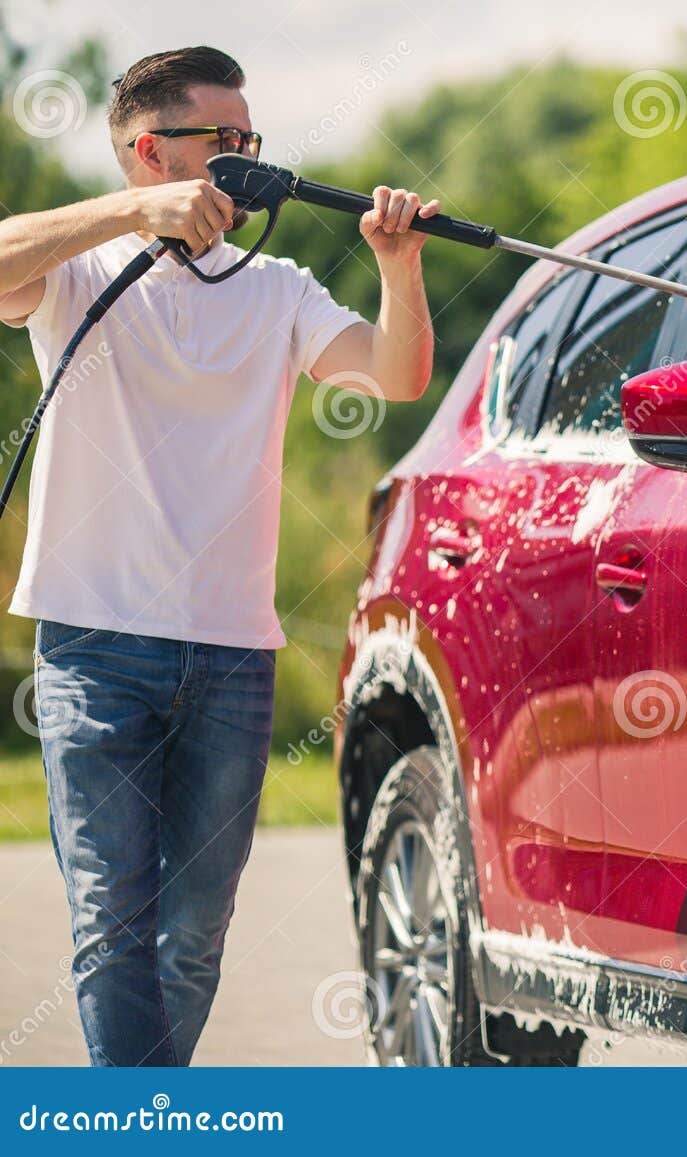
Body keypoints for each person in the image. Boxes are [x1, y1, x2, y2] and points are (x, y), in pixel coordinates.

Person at [0, 45, 439, 1066]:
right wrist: (127, 217)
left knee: (191, 936)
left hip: (231, 655)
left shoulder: (276, 289)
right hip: (96, 648)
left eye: (252, 140)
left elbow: (398, 373)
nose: (246, 159)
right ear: (149, 151)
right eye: (222, 142)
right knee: (114, 916)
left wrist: (397, 264)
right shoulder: (74, 272)